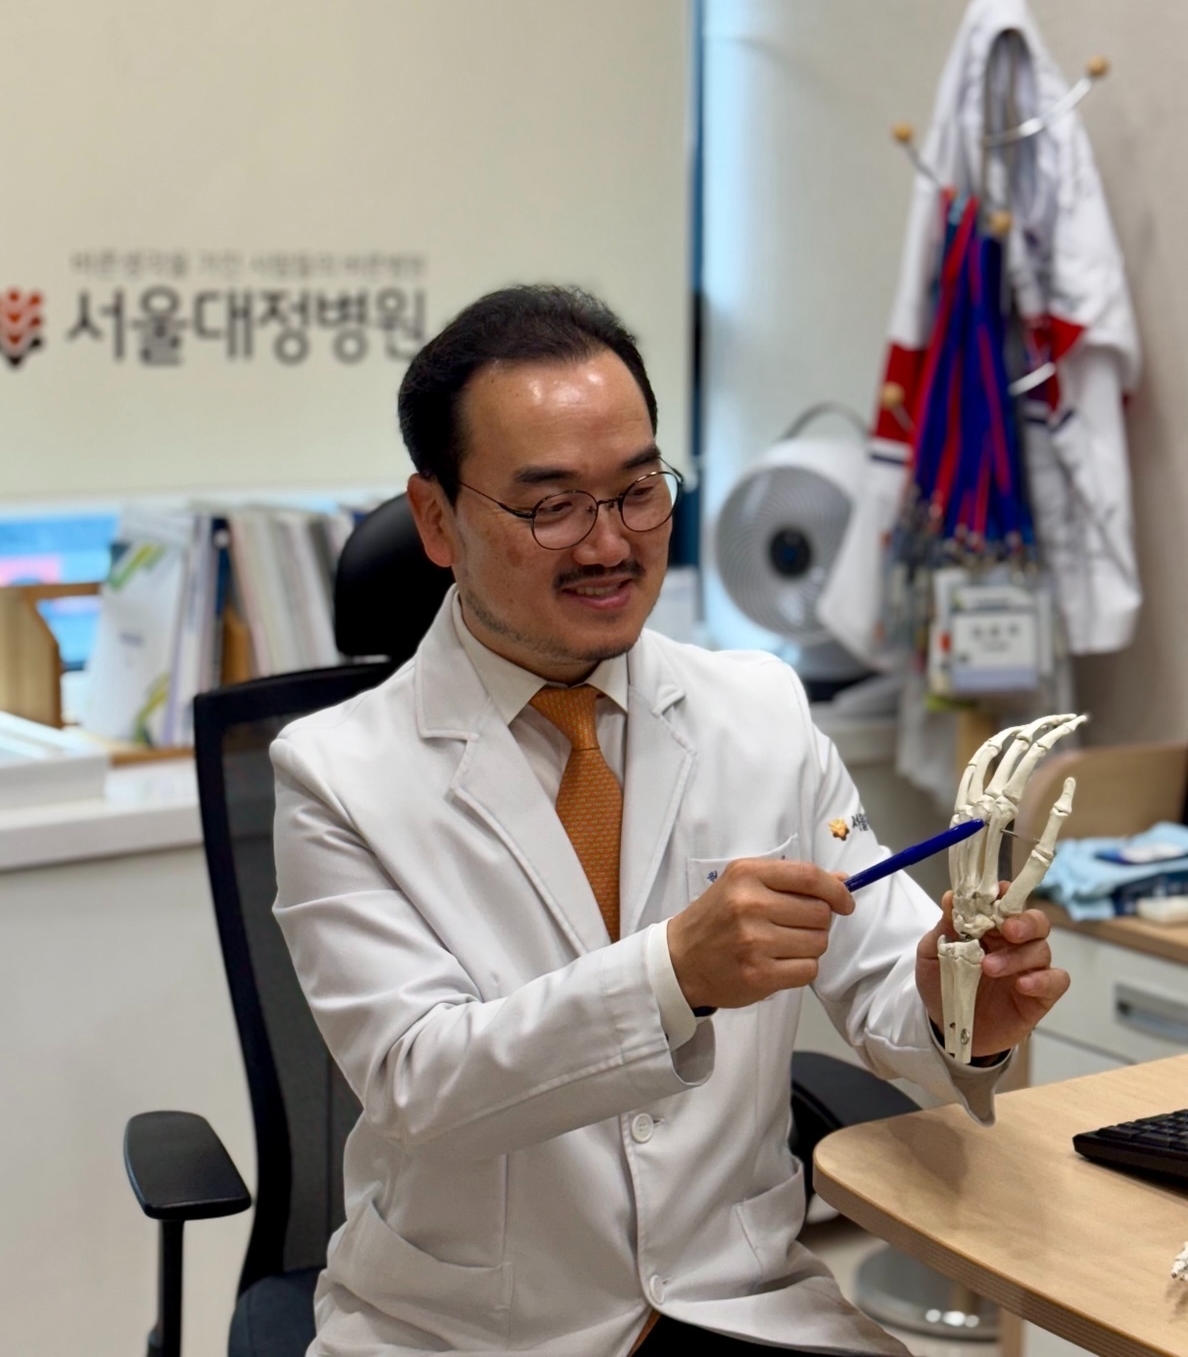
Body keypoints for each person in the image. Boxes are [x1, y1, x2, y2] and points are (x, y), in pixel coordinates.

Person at [271, 285, 1070, 1357]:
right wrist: (674, 975)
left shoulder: (760, 711)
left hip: (738, 1302)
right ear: (436, 520)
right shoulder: (335, 775)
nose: (610, 543)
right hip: (472, 1331)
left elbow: (885, 974)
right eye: (553, 505)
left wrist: (957, 1003)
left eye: (638, 491)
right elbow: (424, 1085)